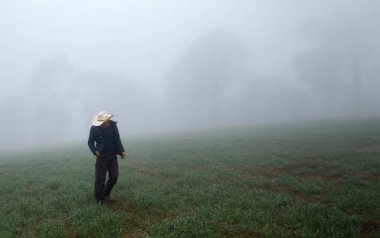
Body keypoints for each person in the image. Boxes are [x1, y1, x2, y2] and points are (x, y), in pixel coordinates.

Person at [88, 111, 126, 204]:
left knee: (114, 177)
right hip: (101, 157)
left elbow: (117, 138)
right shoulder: (94, 129)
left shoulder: (113, 126)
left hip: (112, 156)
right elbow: (90, 142)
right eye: (100, 122)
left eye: (103, 122)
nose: (102, 124)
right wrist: (95, 150)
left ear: (108, 120)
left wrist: (121, 151)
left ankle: (106, 193)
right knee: (100, 179)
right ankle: (99, 199)